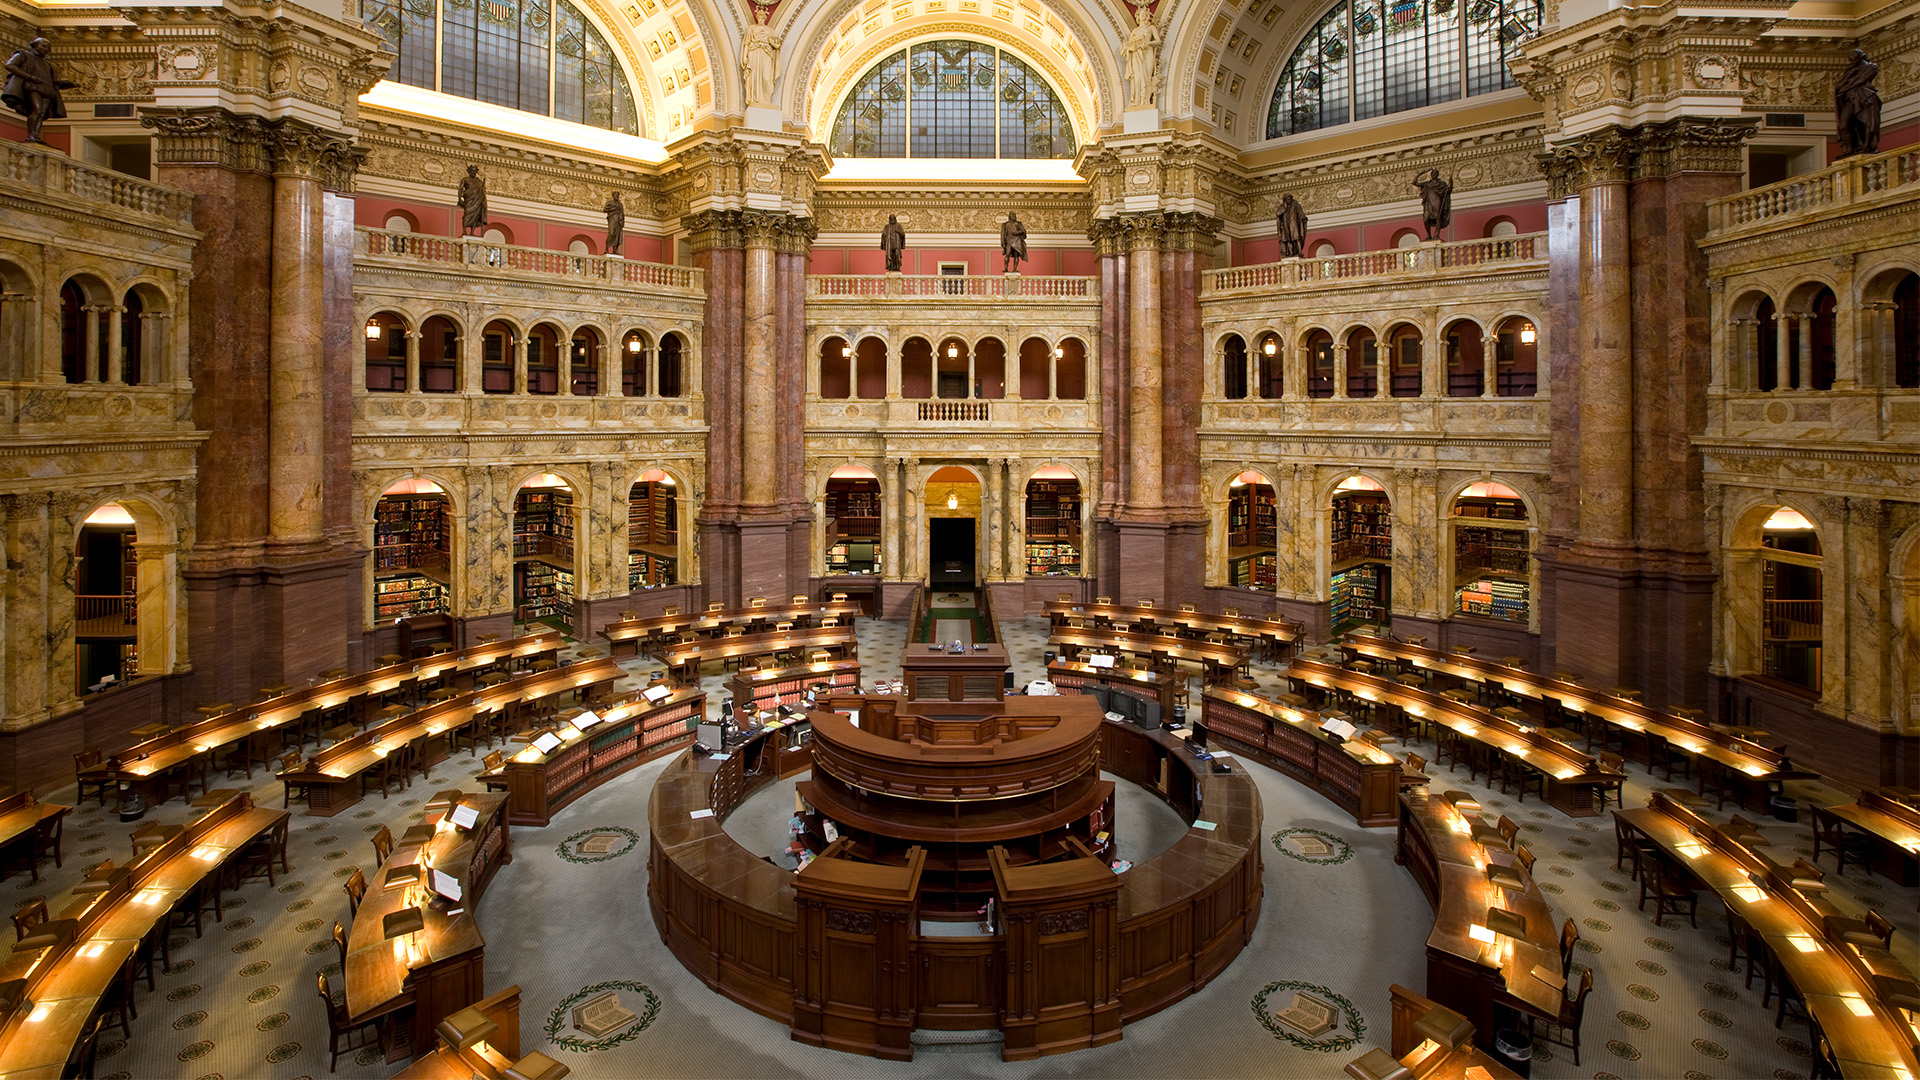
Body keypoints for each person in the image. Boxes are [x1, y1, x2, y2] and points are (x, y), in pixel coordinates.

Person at [3, 38, 73, 145]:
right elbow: (9, 65)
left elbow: (52, 81)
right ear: (35, 45)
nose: (46, 49)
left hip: (47, 89)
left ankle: (36, 135)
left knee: (42, 114)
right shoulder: (24, 55)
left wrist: (63, 84)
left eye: (48, 48)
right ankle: (31, 135)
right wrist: (29, 77)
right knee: (37, 110)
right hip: (33, 86)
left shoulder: (48, 65)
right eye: (43, 46)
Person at [1835, 48, 1881, 158]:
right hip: (1850, 100)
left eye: (1854, 59)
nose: (1853, 62)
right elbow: (1838, 86)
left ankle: (1866, 146)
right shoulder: (1850, 71)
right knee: (1843, 126)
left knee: (1867, 123)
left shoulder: (1871, 66)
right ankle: (1849, 149)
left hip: (1864, 98)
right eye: (1851, 60)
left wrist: (1848, 85)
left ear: (1861, 57)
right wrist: (1849, 77)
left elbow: (1862, 80)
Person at [1122, 6, 1160, 109]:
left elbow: (1158, 41)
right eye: (1141, 14)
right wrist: (1130, 48)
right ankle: (1137, 100)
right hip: (1137, 55)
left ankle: (1146, 100)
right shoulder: (1135, 31)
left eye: (1144, 13)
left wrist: (1148, 43)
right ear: (1138, 16)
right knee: (1138, 78)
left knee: (1147, 77)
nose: (1143, 15)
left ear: (1147, 15)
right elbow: (1130, 43)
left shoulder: (1151, 28)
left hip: (1148, 53)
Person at [742, 6, 778, 108]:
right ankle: (754, 99)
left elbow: (777, 45)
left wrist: (772, 43)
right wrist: (745, 56)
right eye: (759, 16)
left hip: (766, 53)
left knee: (766, 77)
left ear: (765, 18)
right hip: (754, 52)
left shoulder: (770, 30)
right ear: (757, 17)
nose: (761, 18)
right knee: (754, 76)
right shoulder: (751, 29)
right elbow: (747, 43)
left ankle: (765, 99)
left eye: (763, 17)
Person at [1413, 168, 1452, 240]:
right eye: (1432, 173)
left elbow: (1448, 191)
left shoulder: (1441, 184)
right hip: (1428, 203)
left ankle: (1436, 235)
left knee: (1438, 217)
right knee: (1426, 219)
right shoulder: (1427, 184)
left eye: (1435, 173)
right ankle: (1429, 235)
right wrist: (1422, 172)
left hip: (1437, 201)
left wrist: (1451, 183)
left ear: (1437, 175)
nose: (1434, 175)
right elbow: (1414, 182)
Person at [457, 164, 488, 236]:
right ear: (469, 171)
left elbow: (482, 192)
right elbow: (460, 189)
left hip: (477, 200)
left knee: (476, 216)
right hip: (469, 200)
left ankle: (472, 232)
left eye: (475, 171)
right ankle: (464, 231)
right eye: (472, 171)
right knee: (467, 215)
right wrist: (460, 199)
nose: (473, 172)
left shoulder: (479, 182)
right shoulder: (465, 179)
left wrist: (483, 200)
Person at [1275, 193, 1307, 259]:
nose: (1289, 200)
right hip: (1286, 225)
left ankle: (1299, 251)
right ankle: (1290, 252)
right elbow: (1278, 213)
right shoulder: (1282, 207)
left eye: (1289, 198)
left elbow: (1300, 213)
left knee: (1296, 238)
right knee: (1288, 239)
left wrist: (1303, 217)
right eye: (1287, 199)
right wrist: (1285, 208)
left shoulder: (1296, 205)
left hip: (1294, 224)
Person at [605, 191, 626, 256]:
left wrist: (622, 221)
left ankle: (614, 250)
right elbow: (605, 209)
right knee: (611, 233)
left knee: (618, 235)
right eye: (615, 195)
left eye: (617, 195)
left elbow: (622, 213)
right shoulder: (609, 202)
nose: (616, 196)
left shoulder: (620, 204)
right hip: (612, 219)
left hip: (618, 220)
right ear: (613, 195)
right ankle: (606, 249)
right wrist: (613, 208)